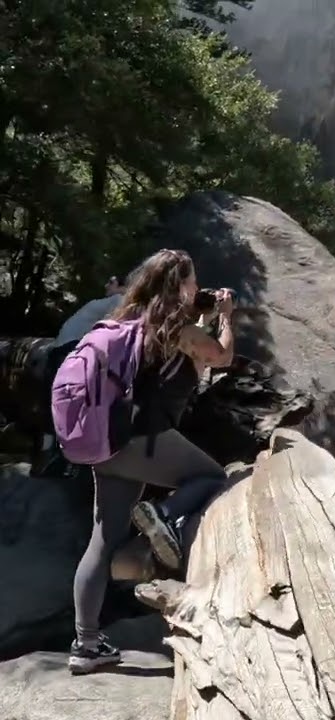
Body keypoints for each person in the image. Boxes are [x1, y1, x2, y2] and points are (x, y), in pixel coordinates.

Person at [69, 249, 236, 675]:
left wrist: (201, 314)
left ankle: (86, 644)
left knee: (102, 542)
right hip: (145, 440)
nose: (197, 287)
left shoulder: (128, 321)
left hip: (107, 441)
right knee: (213, 477)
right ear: (180, 285)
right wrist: (226, 318)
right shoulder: (177, 328)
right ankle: (163, 515)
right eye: (192, 281)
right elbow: (221, 356)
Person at [35, 276, 128, 475]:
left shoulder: (119, 300)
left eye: (111, 282)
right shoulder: (107, 301)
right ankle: (50, 455)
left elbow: (115, 329)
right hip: (62, 348)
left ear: (122, 287)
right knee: (52, 402)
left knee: (65, 403)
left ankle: (64, 458)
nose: (106, 284)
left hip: (71, 350)